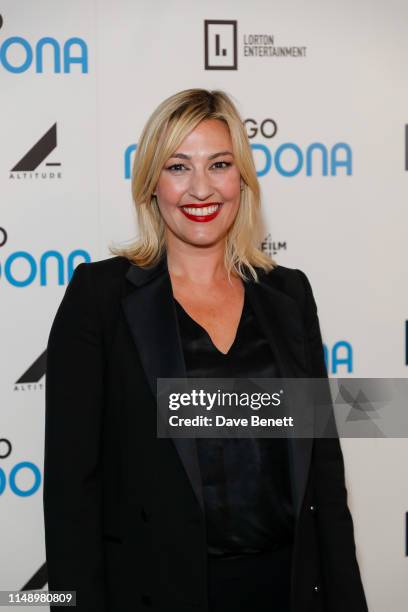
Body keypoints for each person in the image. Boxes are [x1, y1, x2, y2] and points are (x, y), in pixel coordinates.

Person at [43, 88, 369, 612]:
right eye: (178, 166)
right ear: (151, 183)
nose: (201, 188)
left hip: (285, 589)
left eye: (219, 164)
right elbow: (70, 492)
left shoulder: (289, 295)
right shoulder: (100, 299)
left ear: (241, 177)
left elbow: (324, 479)